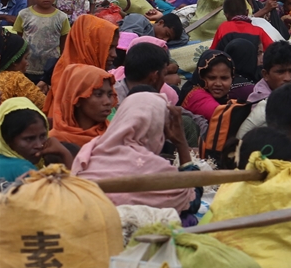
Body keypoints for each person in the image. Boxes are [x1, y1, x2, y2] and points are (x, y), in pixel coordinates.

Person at [72, 92, 201, 217]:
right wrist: (182, 144)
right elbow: (191, 201)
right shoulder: (150, 165)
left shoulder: (92, 149)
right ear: (155, 127)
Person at [13, 0, 70, 84]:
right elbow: (18, 42)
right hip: (27, 69)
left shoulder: (62, 17)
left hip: (50, 70)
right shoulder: (24, 15)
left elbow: (64, 46)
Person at [0, 98, 74, 183]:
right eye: (29, 139)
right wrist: (65, 154)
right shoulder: (24, 170)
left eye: (43, 136)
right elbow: (70, 194)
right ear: (7, 140)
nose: (39, 145)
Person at [47, 64, 114, 150]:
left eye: (109, 95)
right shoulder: (53, 142)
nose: (108, 102)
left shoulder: (114, 135)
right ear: (77, 99)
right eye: (98, 94)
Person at [114, 39, 176, 104]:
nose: (164, 80)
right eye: (164, 74)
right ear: (155, 76)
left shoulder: (112, 93)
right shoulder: (157, 104)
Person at [179, 49, 235, 121]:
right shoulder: (196, 95)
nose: (218, 84)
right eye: (212, 78)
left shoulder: (228, 96)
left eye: (224, 78)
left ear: (232, 78)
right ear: (201, 77)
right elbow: (225, 118)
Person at [0, 32, 45, 108]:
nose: (27, 63)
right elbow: (44, 104)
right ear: (14, 62)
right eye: (25, 58)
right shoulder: (16, 79)